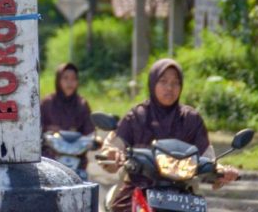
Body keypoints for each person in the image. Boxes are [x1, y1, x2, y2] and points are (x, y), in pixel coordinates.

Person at [99, 58, 239, 212]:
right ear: (153, 83)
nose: (169, 88)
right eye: (163, 81)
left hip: (183, 191)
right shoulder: (137, 115)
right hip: (138, 186)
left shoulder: (191, 119)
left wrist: (221, 171)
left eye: (175, 82)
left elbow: (207, 156)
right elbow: (115, 144)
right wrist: (112, 153)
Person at [40, 62, 94, 169]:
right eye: (65, 78)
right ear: (58, 80)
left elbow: (89, 132)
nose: (70, 82)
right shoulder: (47, 103)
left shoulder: (82, 104)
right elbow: (37, 129)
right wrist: (50, 130)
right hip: (51, 159)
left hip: (77, 158)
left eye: (74, 79)